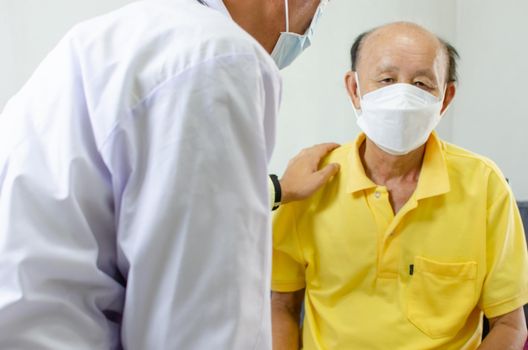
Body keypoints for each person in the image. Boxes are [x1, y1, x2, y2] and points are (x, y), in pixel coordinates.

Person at [0, 0, 339, 349]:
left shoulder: (106, 40)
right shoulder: (216, 57)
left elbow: (130, 201)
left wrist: (277, 189)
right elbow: (200, 331)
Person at [271, 22, 528, 350]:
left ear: (445, 98)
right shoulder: (310, 181)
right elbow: (281, 305)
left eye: (421, 83)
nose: (403, 96)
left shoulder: (484, 185)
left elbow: (509, 324)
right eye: (387, 80)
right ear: (355, 89)